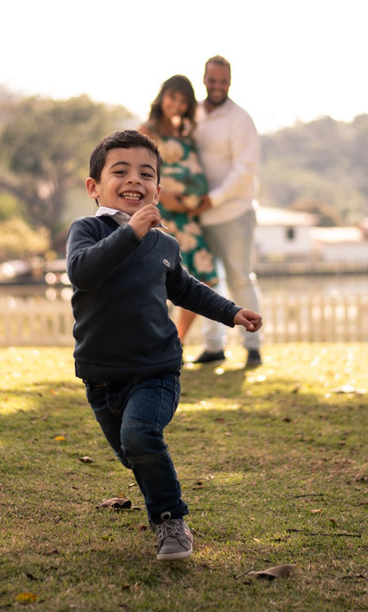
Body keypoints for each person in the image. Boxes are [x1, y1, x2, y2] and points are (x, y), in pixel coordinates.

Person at [66, 129, 263, 562]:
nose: (134, 179)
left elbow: (189, 291)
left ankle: (170, 519)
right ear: (94, 187)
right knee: (132, 454)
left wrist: (232, 312)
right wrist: (130, 232)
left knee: (141, 437)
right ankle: (153, 477)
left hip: (156, 369)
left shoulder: (164, 244)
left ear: (157, 187)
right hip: (101, 377)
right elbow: (83, 272)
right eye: (121, 171)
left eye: (146, 173)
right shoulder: (86, 231)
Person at [191, 54, 264, 367]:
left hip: (233, 213)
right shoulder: (192, 114)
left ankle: (253, 346)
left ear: (229, 82)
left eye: (223, 81)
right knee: (206, 282)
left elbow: (244, 170)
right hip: (198, 216)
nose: (217, 86)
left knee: (238, 279)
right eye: (212, 80)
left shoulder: (240, 119)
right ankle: (213, 347)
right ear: (204, 79)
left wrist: (213, 198)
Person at [138, 75, 218, 345]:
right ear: (162, 97)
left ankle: (178, 340)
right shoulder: (147, 131)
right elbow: (138, 171)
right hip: (160, 216)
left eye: (184, 101)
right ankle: (156, 340)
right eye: (173, 97)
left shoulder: (187, 135)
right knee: (157, 278)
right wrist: (162, 198)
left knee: (203, 278)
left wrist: (193, 201)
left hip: (189, 218)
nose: (177, 104)